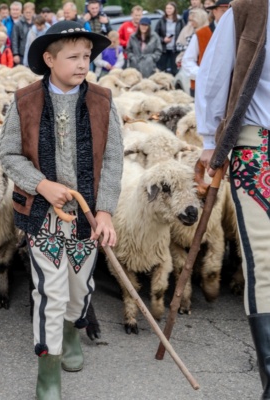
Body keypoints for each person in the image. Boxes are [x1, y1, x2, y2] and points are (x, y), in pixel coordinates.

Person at [0, 20, 122, 400]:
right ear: (49, 59)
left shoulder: (102, 101)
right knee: (48, 293)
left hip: (86, 218)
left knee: (78, 290)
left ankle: (72, 331)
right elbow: (7, 154)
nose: (83, 64)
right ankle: (48, 372)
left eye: (87, 56)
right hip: (44, 217)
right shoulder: (24, 101)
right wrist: (41, 184)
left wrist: (105, 211)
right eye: (73, 57)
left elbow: (114, 159)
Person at [196, 1, 270, 397]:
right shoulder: (251, 10)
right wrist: (210, 139)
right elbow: (215, 73)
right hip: (257, 143)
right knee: (265, 256)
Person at [183, 0, 227, 96]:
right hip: (202, 88)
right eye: (223, 11)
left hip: (228, 90)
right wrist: (204, 75)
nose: (227, 15)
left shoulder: (237, 34)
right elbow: (187, 61)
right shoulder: (201, 34)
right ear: (215, 11)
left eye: (229, 12)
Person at [155, 2, 184, 75]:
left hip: (175, 49)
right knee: (161, 69)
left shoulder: (180, 21)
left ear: (174, 9)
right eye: (167, 8)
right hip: (163, 49)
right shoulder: (161, 21)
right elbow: (155, 35)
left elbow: (184, 33)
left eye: (170, 8)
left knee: (175, 70)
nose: (168, 10)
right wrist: (163, 40)